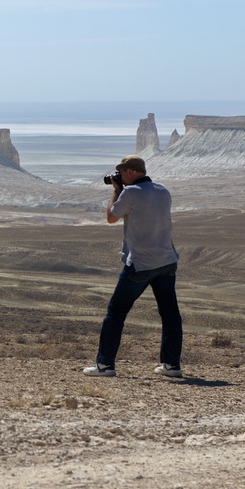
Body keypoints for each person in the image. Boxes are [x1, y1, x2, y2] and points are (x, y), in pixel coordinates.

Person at [83, 155, 183, 378]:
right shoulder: (163, 191)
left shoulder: (130, 192)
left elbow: (111, 217)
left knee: (115, 312)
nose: (120, 177)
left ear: (129, 172)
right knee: (170, 314)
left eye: (121, 173)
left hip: (140, 263)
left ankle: (105, 365)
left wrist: (116, 190)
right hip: (166, 260)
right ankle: (171, 365)